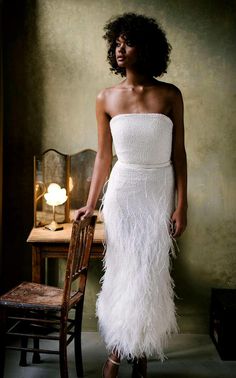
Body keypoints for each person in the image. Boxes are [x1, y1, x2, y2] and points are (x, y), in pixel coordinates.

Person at [75, 12, 187, 378]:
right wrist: (91, 205)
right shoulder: (105, 97)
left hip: (158, 190)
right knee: (124, 273)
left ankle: (138, 354)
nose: (120, 49)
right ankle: (118, 355)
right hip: (123, 194)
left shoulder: (170, 94)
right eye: (116, 43)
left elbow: (179, 154)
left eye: (128, 42)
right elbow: (104, 157)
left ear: (147, 48)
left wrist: (181, 205)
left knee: (148, 273)